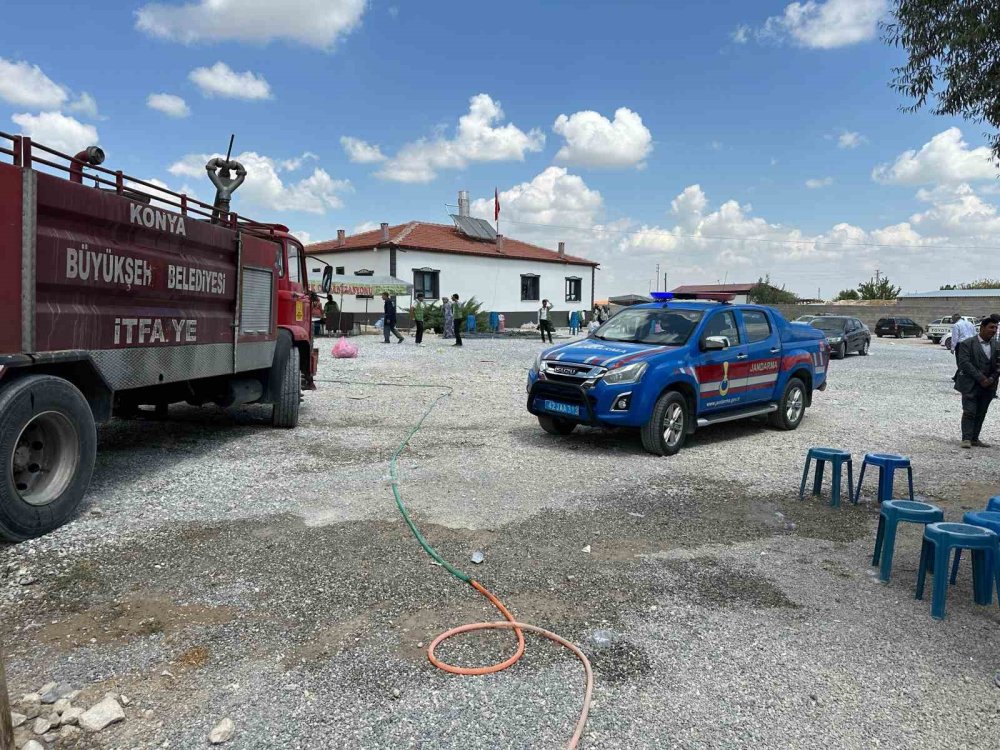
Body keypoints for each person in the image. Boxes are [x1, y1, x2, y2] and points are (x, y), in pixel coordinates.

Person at [954, 317, 1000, 448]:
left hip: (989, 386)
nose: (994, 330)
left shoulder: (997, 345)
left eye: (996, 328)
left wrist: (990, 379)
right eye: (991, 327)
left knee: (981, 412)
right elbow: (964, 363)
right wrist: (981, 378)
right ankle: (966, 438)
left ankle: (975, 438)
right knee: (969, 411)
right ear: (982, 328)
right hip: (970, 384)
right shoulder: (967, 343)